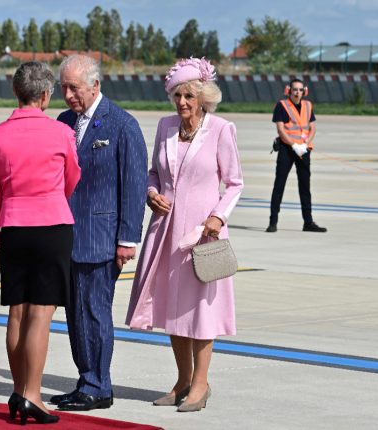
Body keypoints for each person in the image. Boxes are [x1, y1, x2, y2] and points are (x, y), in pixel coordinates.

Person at [125, 57, 244, 412]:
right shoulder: (164, 127)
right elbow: (153, 173)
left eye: (189, 96)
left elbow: (235, 183)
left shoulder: (221, 129)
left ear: (203, 96)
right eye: (177, 96)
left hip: (202, 235)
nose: (182, 104)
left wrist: (218, 217)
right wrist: (151, 193)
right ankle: (182, 381)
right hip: (165, 233)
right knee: (173, 309)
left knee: (201, 313)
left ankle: (201, 384)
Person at [0, 61, 80, 425]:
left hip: (13, 228)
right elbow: (72, 179)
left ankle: (19, 390)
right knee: (41, 314)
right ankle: (32, 395)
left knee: (17, 312)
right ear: (44, 95)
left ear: (15, 92)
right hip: (52, 226)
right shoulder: (61, 134)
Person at [51, 54, 148, 411]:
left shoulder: (122, 125)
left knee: (95, 312)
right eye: (63, 87)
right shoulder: (63, 122)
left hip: (102, 237)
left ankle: (99, 385)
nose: (68, 95)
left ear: (95, 85)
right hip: (66, 236)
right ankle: (86, 380)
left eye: (74, 88)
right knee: (74, 315)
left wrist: (127, 239)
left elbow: (135, 186)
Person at [266, 78, 327, 233]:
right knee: (279, 185)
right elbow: (281, 130)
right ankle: (273, 222)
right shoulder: (282, 105)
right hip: (287, 149)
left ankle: (308, 222)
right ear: (289, 90)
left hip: (303, 150)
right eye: (295, 89)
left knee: (305, 187)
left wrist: (305, 145)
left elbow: (312, 128)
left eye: (300, 90)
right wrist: (293, 145)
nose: (297, 92)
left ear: (304, 91)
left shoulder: (308, 105)